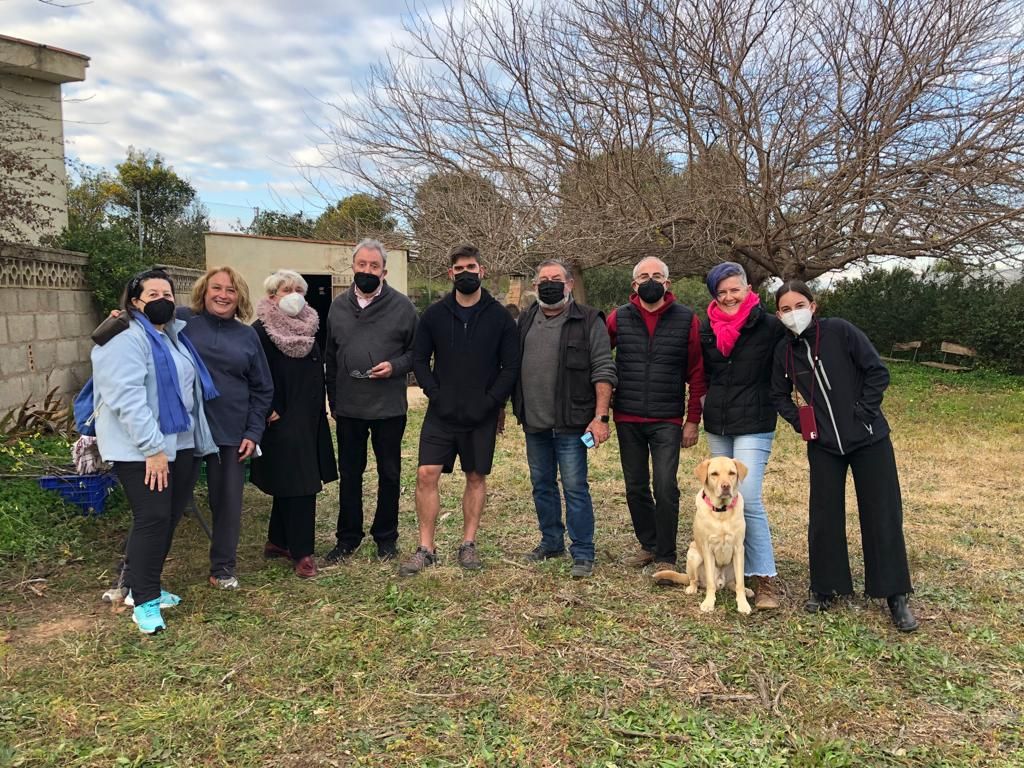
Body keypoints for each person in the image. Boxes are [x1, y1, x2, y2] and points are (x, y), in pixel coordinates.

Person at [769, 280, 918, 632]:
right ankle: (827, 587)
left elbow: (877, 372)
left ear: (814, 305)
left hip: (869, 440)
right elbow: (778, 394)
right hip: (823, 446)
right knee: (824, 515)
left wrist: (863, 414)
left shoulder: (840, 331)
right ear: (779, 314)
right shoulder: (784, 352)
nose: (794, 313)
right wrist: (801, 424)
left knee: (882, 513)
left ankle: (894, 594)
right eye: (786, 309)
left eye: (800, 305)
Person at [91, 269, 219, 633]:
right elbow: (126, 399)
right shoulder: (124, 338)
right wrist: (152, 448)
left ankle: (140, 586)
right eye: (152, 294)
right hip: (143, 451)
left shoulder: (172, 337)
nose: (163, 299)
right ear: (134, 302)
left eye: (167, 292)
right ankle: (144, 601)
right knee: (152, 519)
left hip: (180, 444)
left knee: (167, 517)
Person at [400, 243, 520, 576]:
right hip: (442, 411)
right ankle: (426, 547)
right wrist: (435, 393)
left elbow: (510, 366)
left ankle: (468, 544)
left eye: (471, 268)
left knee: (476, 476)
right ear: (450, 273)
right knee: (426, 474)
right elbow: (419, 360)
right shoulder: (434, 315)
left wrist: (490, 401)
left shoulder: (500, 318)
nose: (465, 274)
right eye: (459, 269)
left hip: (481, 412)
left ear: (482, 271)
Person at [511, 259, 616, 579]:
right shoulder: (526, 320)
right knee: (541, 485)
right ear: (534, 286)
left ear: (569, 284)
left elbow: (603, 368)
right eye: (543, 279)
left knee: (574, 487)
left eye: (557, 279)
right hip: (534, 422)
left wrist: (600, 417)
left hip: (572, 424)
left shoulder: (588, 320)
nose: (550, 284)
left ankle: (583, 551)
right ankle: (551, 541)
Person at [606, 256, 707, 579]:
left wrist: (693, 420)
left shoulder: (687, 319)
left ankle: (666, 554)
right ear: (634, 285)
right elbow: (599, 358)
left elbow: (697, 372)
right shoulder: (617, 319)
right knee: (635, 485)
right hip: (627, 416)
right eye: (644, 276)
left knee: (665, 486)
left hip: (668, 419)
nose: (651, 280)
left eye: (657, 275)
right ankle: (648, 545)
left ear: (668, 283)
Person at [177, 266, 274, 590]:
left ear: (239, 297)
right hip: (185, 430)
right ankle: (135, 570)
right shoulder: (181, 324)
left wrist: (253, 432)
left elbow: (263, 388)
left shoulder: (247, 336)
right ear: (204, 292)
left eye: (230, 290)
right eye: (216, 288)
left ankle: (222, 569)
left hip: (231, 430)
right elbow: (141, 326)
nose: (222, 295)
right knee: (167, 502)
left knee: (228, 503)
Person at [324, 239, 418, 563]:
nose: (367, 271)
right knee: (350, 474)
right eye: (361, 265)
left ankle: (386, 538)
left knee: (389, 474)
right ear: (353, 267)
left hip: (388, 409)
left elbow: (416, 354)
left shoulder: (403, 307)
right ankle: (347, 538)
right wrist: (334, 401)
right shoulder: (337, 306)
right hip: (350, 409)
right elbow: (330, 358)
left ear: (384, 271)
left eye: (373, 266)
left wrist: (396, 367)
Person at [699, 262, 785, 609]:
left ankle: (762, 578)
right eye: (722, 292)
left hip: (755, 420)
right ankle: (723, 563)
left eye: (735, 289)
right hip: (719, 421)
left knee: (745, 494)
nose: (729, 296)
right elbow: (701, 374)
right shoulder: (707, 328)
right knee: (719, 494)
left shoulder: (769, 326)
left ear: (749, 289)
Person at [249, 270, 338, 579]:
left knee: (290, 482)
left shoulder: (308, 326)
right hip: (280, 417)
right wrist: (265, 408)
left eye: (298, 289)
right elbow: (249, 372)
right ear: (272, 296)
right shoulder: (260, 331)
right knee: (301, 485)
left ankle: (278, 541)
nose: (293, 294)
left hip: (309, 416)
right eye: (286, 289)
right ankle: (302, 552)